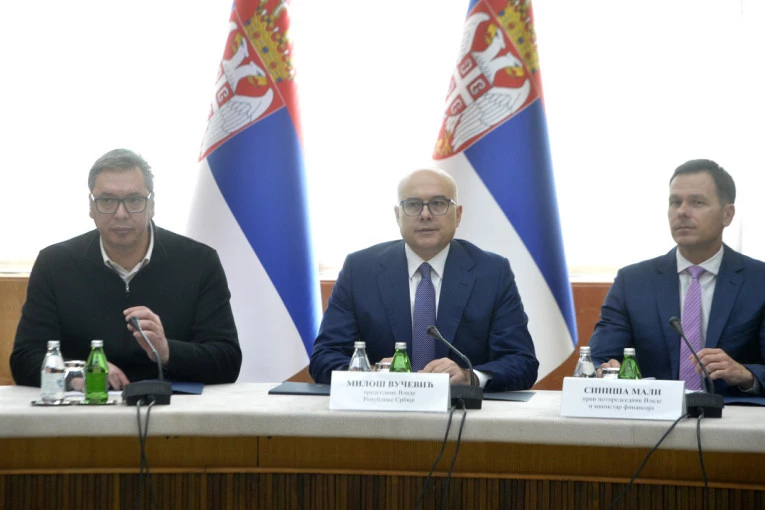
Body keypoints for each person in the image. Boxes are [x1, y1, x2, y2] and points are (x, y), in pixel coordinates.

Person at [11, 149, 241, 388]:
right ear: (91, 207)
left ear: (152, 205)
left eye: (134, 200)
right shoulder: (54, 264)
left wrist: (167, 351)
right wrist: (77, 374)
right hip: (85, 406)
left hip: (173, 406)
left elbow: (227, 361)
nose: (121, 214)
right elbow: (25, 359)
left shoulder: (199, 262)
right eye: (107, 201)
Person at [309, 168, 538, 391]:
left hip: (462, 412)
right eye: (413, 204)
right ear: (398, 215)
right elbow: (324, 356)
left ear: (458, 215)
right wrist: (373, 375)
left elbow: (521, 361)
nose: (425, 214)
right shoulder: (360, 271)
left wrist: (470, 377)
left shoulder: (491, 273)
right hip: (382, 409)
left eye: (438, 203)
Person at [589, 159, 765, 395]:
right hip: (652, 413)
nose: (682, 211)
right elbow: (600, 356)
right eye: (675, 202)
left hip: (733, 413)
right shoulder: (632, 282)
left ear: (727, 214)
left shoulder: (758, 281)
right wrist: (606, 369)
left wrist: (746, 375)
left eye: (697, 202)